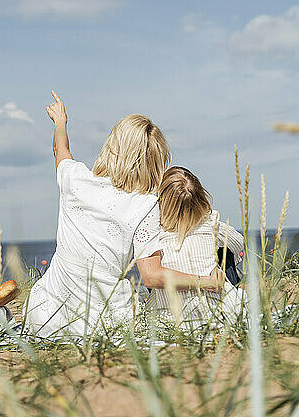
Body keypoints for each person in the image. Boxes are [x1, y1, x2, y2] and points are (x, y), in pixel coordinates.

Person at [24, 93, 222, 339]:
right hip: (101, 326)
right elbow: (151, 276)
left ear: (111, 146)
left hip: (46, 318)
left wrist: (60, 121)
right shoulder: (146, 206)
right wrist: (207, 282)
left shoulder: (75, 180)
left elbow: (60, 150)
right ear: (153, 162)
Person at [147, 166, 247, 328]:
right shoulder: (209, 223)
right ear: (200, 196)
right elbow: (237, 243)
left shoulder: (154, 231)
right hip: (216, 315)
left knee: (154, 263)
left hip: (169, 320)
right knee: (225, 253)